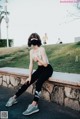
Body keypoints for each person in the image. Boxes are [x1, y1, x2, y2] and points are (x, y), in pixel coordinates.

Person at [5, 33, 53, 115]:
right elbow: (31, 64)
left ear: (37, 39)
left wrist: (37, 58)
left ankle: (34, 104)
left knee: (39, 82)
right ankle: (14, 97)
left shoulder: (42, 49)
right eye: (31, 38)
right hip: (39, 69)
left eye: (34, 38)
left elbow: (45, 64)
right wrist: (30, 77)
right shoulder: (31, 51)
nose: (33, 39)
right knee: (27, 82)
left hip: (47, 69)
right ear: (29, 40)